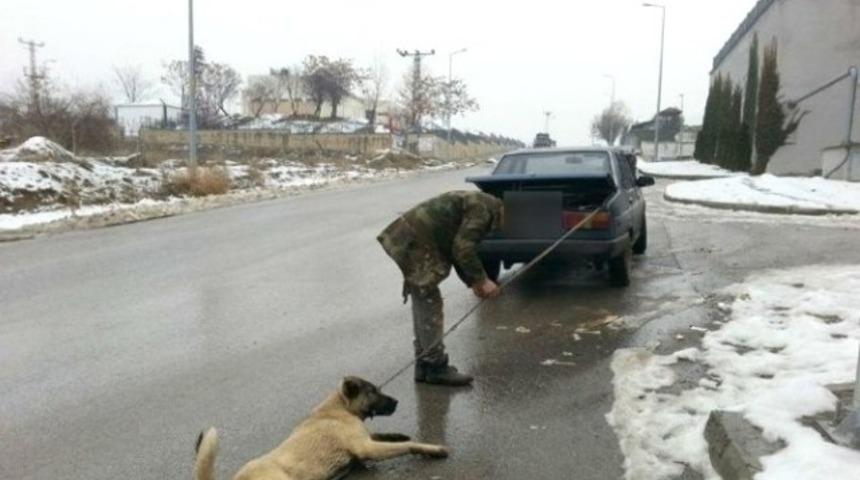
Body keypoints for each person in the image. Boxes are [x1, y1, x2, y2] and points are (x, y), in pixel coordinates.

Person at [377, 190, 503, 387]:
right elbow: (462, 249)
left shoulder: (485, 204)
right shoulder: (483, 211)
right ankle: (435, 366)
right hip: (414, 240)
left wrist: (474, 282)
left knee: (424, 297)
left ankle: (424, 364)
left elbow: (456, 249)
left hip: (411, 237)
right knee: (429, 300)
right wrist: (482, 281)